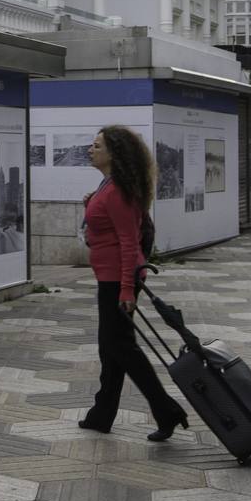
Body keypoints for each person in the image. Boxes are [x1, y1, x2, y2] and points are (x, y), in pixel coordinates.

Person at [79, 125, 188, 441]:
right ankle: (102, 414)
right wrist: (91, 203)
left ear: (113, 153)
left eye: (97, 145)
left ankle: (166, 409)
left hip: (119, 280)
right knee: (110, 348)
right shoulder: (108, 186)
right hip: (110, 277)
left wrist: (127, 289)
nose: (91, 149)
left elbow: (129, 242)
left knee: (120, 347)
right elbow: (107, 228)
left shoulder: (116, 192)